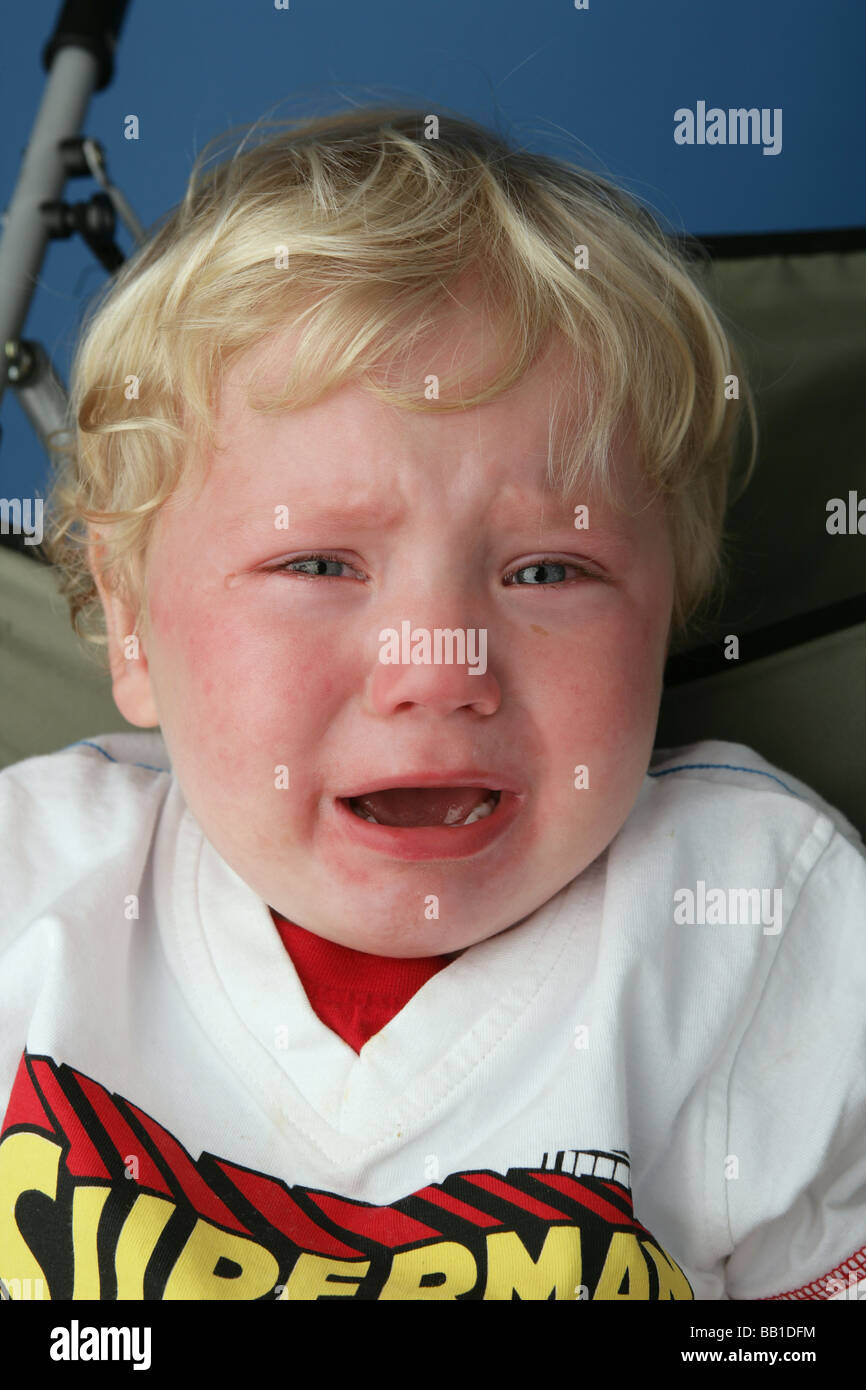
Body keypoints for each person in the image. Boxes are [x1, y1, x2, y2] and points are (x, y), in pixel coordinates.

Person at [0, 106, 863, 1302]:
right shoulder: (32, 894)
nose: (439, 659)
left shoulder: (753, 927)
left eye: (546, 572)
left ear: (666, 614)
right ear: (131, 624)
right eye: (318, 565)